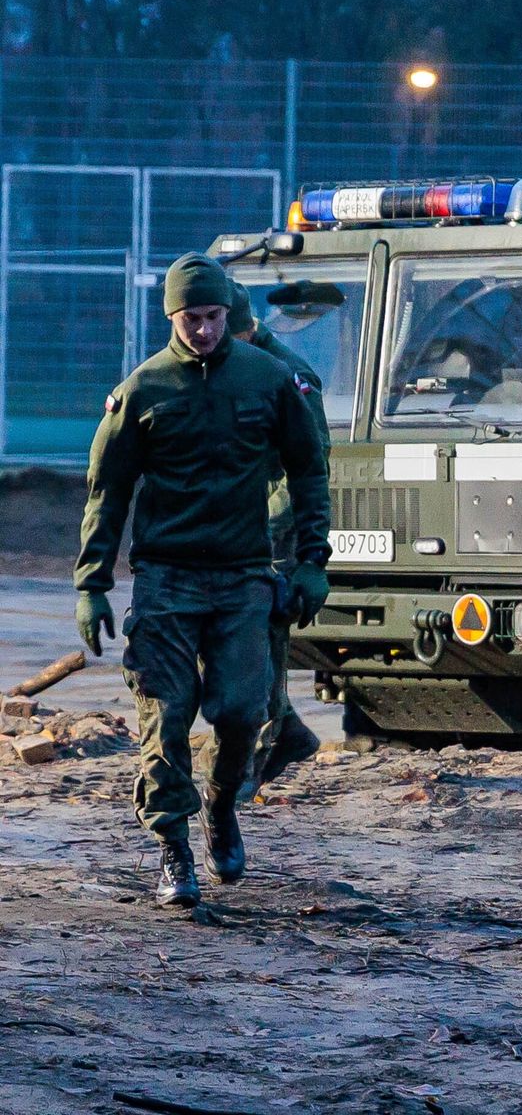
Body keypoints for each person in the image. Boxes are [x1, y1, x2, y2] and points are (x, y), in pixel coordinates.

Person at [74, 255, 331, 908]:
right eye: (192, 318)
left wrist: (312, 560)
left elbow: (309, 469)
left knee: (244, 710)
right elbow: (108, 491)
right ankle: (174, 849)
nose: (205, 330)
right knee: (165, 713)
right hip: (166, 577)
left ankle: (220, 805)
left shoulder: (269, 379)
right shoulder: (143, 390)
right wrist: (92, 583)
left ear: (227, 315)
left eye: (214, 317)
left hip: (242, 576)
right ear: (172, 317)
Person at [227, 281, 329, 799]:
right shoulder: (230, 366)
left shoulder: (289, 375)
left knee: (258, 642)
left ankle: (255, 758)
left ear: (244, 328)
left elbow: (308, 466)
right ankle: (286, 731)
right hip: (232, 529)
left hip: (272, 533)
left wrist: (276, 530)